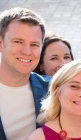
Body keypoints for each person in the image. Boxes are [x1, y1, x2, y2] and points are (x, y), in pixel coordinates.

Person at [0, 7, 48, 140]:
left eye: (34, 44)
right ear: (0, 43)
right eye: (18, 42)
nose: (27, 51)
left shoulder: (54, 89)